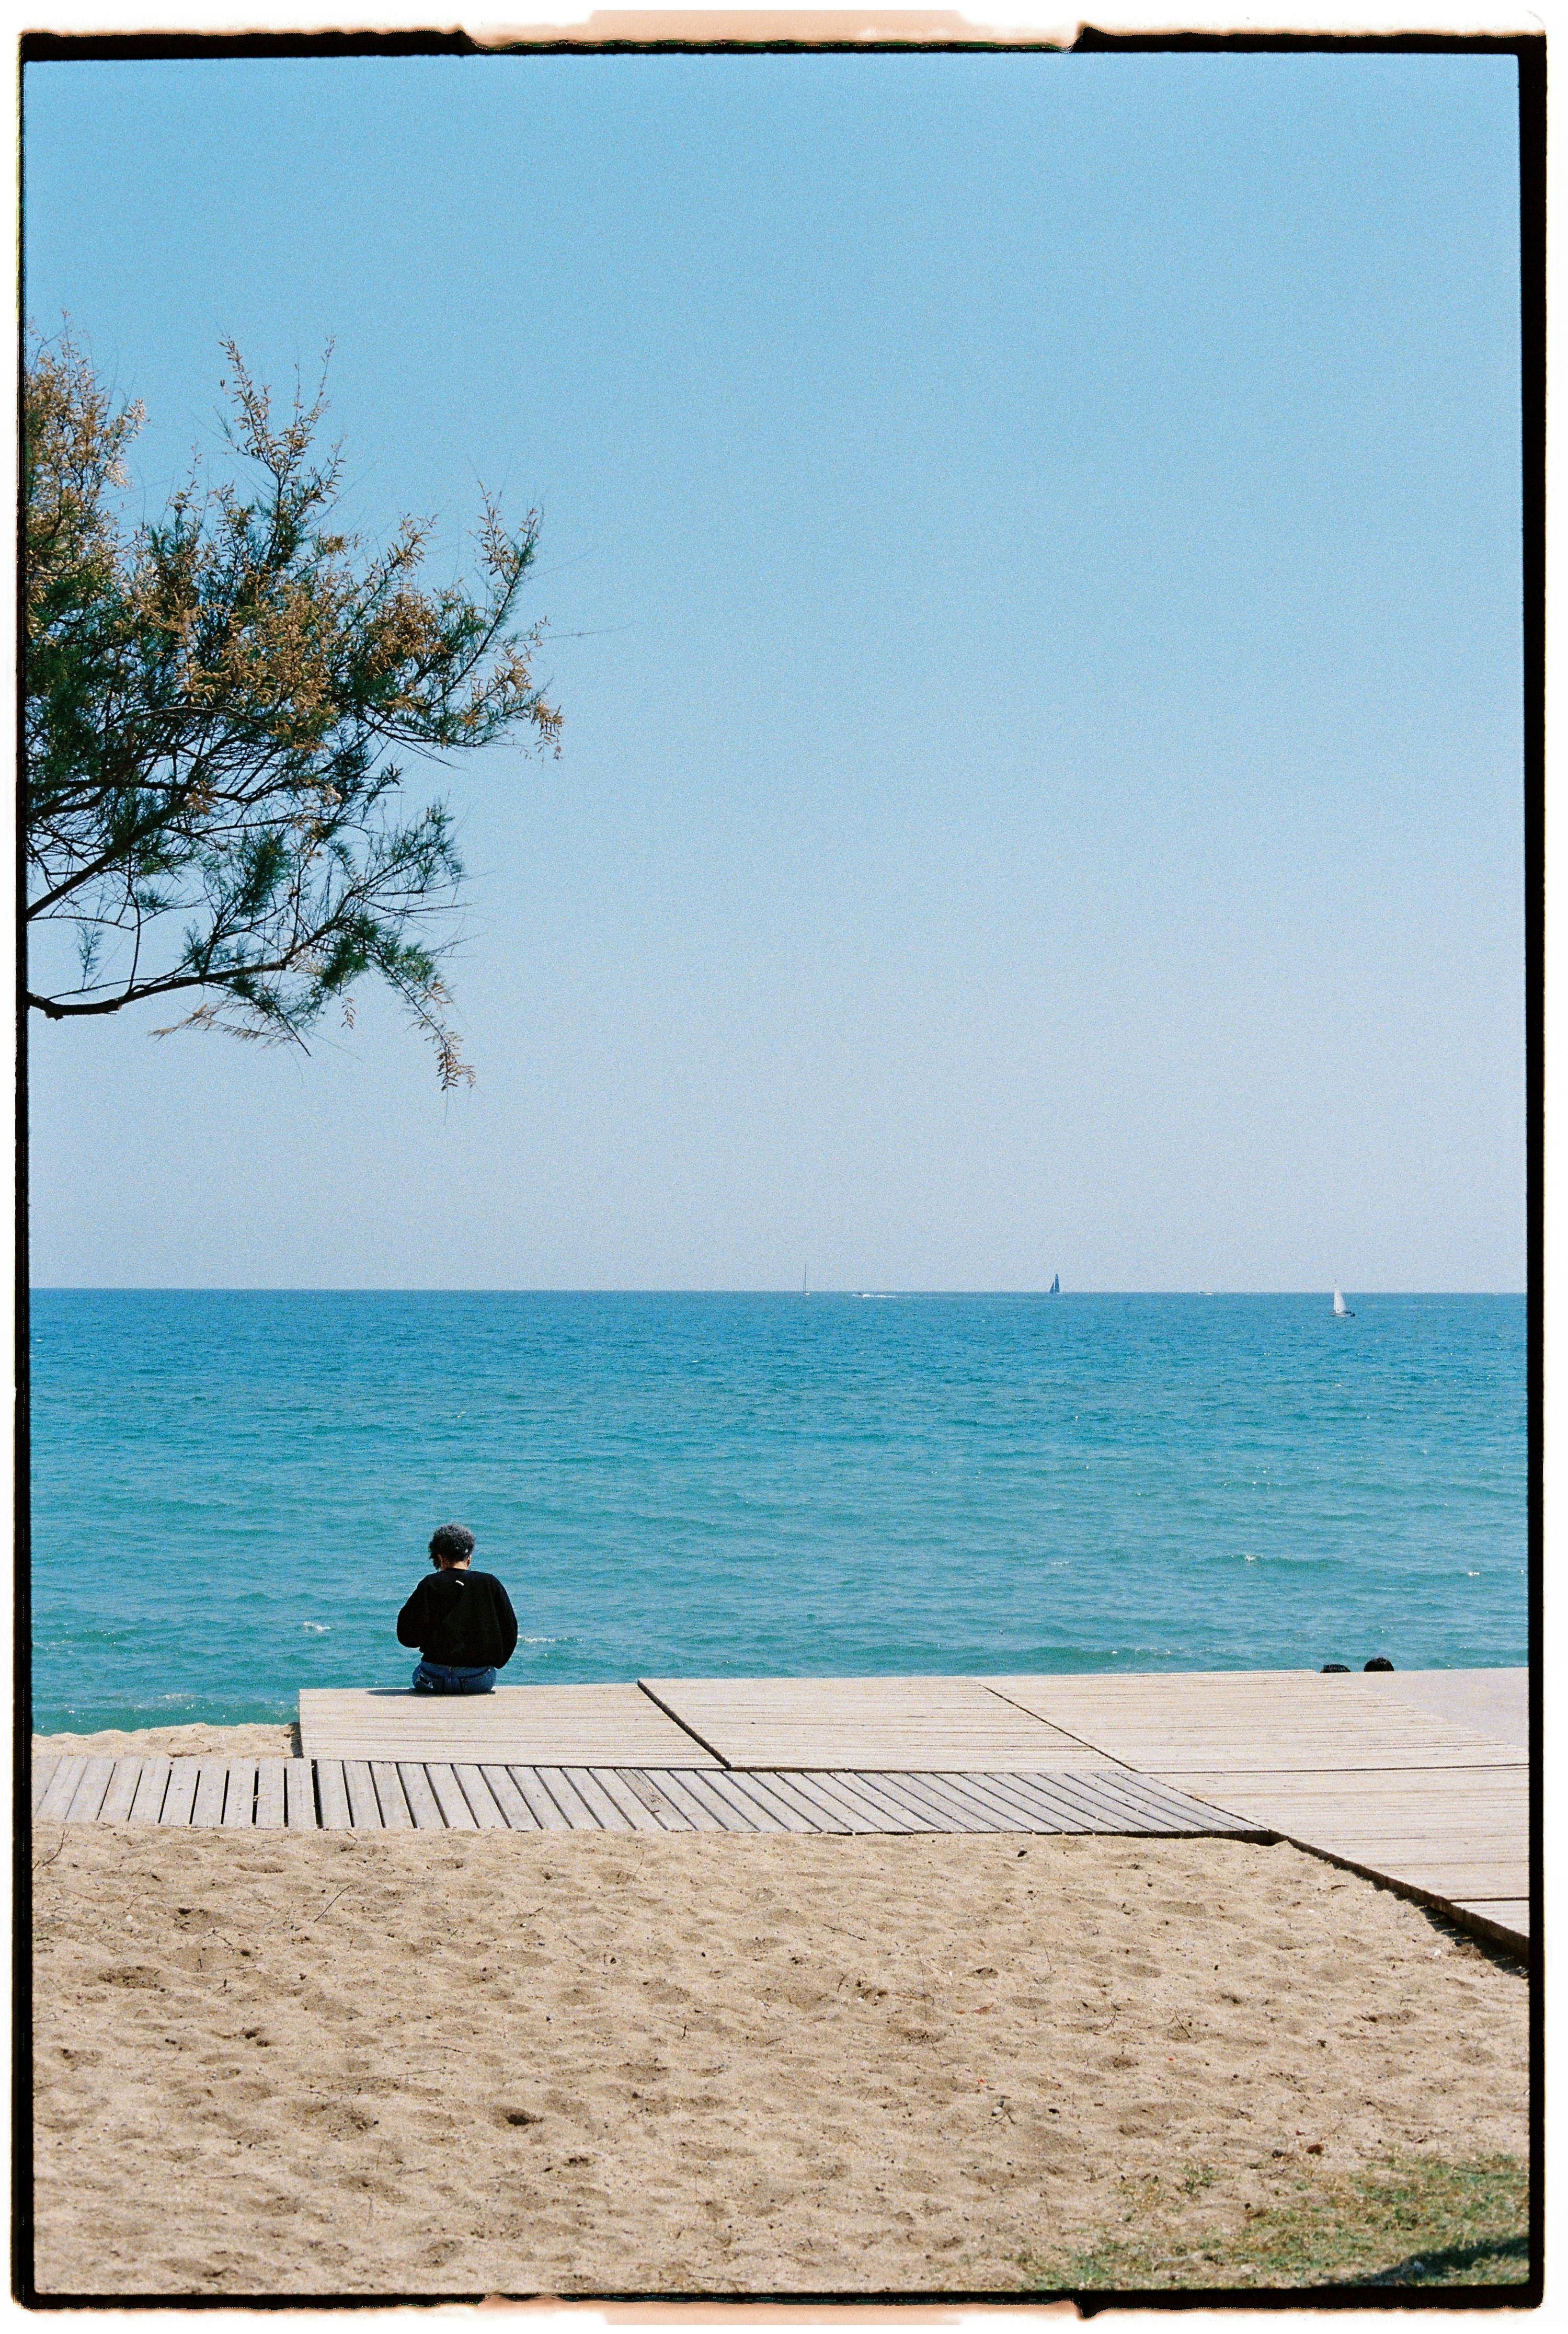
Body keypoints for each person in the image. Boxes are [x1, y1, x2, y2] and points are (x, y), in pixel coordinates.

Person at [397, 1523, 518, 1695]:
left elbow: (406, 1636)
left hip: (433, 1678)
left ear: (439, 1558)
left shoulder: (429, 1584)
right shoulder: (490, 1583)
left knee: (420, 1674)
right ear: (469, 1558)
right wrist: (495, 1660)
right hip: (476, 1679)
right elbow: (510, 1631)